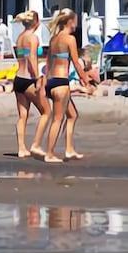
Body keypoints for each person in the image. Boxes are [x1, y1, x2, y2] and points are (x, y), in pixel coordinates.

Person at [37, 9, 90, 162]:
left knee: (72, 115)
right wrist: (85, 80)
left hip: (51, 81)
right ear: (70, 22)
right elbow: (76, 62)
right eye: (76, 21)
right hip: (61, 82)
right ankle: (50, 154)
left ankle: (69, 149)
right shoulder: (69, 39)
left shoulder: (54, 39)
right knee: (57, 119)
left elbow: (48, 63)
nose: (77, 24)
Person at [10, 10, 48, 158]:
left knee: (22, 116)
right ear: (37, 23)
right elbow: (32, 58)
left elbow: (23, 57)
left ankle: (21, 148)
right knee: (46, 111)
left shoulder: (20, 37)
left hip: (18, 78)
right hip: (28, 79)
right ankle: (36, 145)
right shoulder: (33, 38)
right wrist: (38, 77)